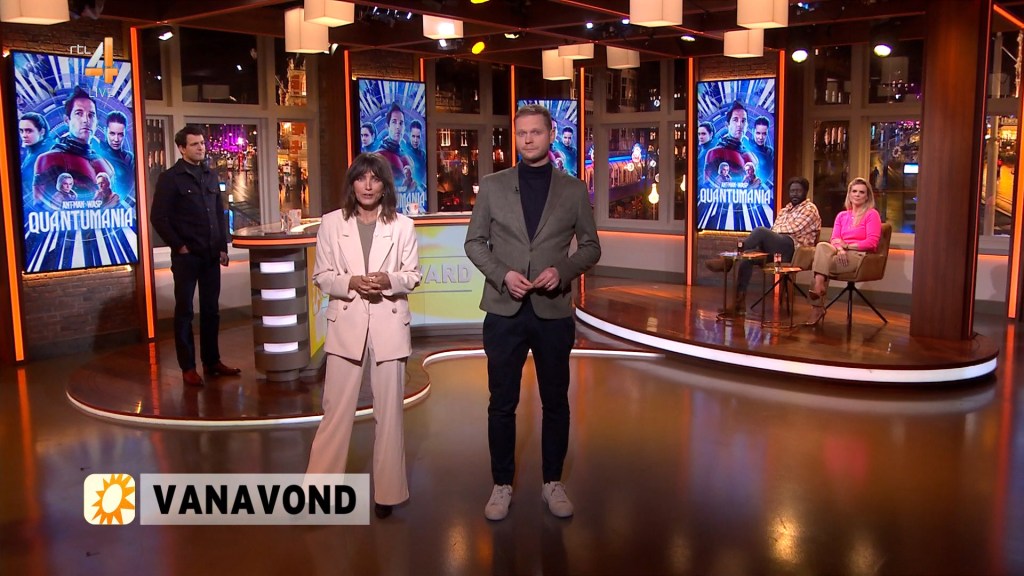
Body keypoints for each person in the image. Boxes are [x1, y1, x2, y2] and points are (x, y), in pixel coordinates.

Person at [465, 104, 601, 521]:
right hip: (504, 311)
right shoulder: (493, 186)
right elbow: (474, 242)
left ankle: (552, 483)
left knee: (555, 401)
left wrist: (562, 272)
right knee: (501, 403)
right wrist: (502, 274)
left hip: (552, 311)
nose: (527, 139)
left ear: (550, 134)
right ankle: (501, 484)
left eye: (535, 132)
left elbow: (591, 247)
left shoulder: (573, 190)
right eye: (521, 133)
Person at [305, 152, 421, 520]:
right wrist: (351, 282)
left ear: (385, 185)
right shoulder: (330, 224)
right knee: (335, 411)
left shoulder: (403, 226)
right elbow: (322, 276)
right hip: (347, 321)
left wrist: (388, 280)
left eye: (375, 179)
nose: (368, 186)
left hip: (389, 322)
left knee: (389, 414)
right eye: (361, 178)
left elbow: (412, 275)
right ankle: (318, 494)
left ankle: (388, 492)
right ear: (352, 184)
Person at [150, 125, 241, 387]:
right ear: (182, 148)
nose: (201, 147)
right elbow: (158, 217)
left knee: (211, 311)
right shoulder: (170, 178)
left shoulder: (210, 176)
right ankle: (188, 367)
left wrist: (223, 247)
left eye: (202, 143)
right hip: (187, 258)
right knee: (185, 312)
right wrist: (179, 246)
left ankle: (212, 361)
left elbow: (218, 213)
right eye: (195, 144)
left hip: (211, 255)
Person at [706, 177, 821, 312]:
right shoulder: (785, 210)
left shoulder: (810, 208)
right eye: (792, 191)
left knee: (760, 231)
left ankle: (729, 261)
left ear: (805, 192)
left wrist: (768, 234)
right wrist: (770, 235)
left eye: (798, 191)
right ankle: (738, 303)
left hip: (794, 251)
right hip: (777, 250)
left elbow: (793, 229)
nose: (795, 194)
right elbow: (776, 229)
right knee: (747, 257)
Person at [804, 177, 882, 326]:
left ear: (867, 196)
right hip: (839, 252)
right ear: (849, 194)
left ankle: (817, 307)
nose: (857, 194)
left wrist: (846, 246)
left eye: (861, 192)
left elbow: (871, 242)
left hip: (858, 256)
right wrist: (840, 249)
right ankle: (819, 285)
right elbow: (834, 239)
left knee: (821, 264)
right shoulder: (842, 215)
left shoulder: (872, 214)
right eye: (854, 191)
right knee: (822, 246)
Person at [32, 86, 114, 209]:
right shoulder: (49, 159)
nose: (86, 120)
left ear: (97, 122)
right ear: (67, 120)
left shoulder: (106, 165)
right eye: (79, 113)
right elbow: (38, 207)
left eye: (91, 115)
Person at [703, 101, 758, 186]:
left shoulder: (752, 157)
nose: (739, 124)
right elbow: (707, 186)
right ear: (727, 125)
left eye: (743, 121)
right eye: (735, 120)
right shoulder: (715, 153)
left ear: (747, 126)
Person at [375, 103, 415, 193]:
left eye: (401, 123)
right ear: (387, 127)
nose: (398, 127)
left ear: (404, 128)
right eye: (394, 122)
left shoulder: (408, 159)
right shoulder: (378, 157)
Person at [97, 111, 135, 194]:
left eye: (120, 134)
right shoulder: (97, 152)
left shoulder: (130, 158)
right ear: (105, 131)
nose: (116, 139)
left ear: (125, 134)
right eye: (112, 134)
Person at [19, 112, 51, 187]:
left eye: (29, 131)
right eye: (21, 131)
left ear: (42, 132)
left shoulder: (46, 153)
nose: (24, 135)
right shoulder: (32, 151)